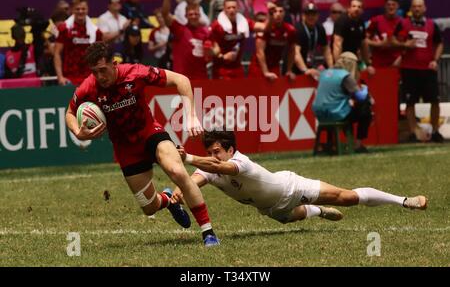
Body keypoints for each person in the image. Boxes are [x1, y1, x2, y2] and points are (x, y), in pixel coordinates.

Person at [65, 42, 220, 247]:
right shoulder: (89, 87)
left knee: (178, 172)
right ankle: (167, 199)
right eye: (95, 72)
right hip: (125, 149)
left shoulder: (135, 73)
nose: (100, 76)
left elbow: (180, 79)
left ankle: (208, 232)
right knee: (149, 207)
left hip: (150, 134)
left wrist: (191, 115)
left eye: (103, 70)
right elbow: (69, 112)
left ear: (114, 63)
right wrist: (78, 132)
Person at [170, 130, 427, 226]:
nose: (214, 157)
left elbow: (223, 170)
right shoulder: (208, 168)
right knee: (289, 219)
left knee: (347, 197)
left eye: (218, 152)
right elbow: (191, 181)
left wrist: (189, 157)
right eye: (210, 153)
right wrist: (179, 190)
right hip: (269, 209)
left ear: (231, 150)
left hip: (290, 188)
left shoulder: (240, 161)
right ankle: (317, 212)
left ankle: (404, 201)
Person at [396, 0, 444, 143]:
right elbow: (395, 41)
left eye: (419, 6)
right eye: (414, 6)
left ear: (424, 8)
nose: (417, 9)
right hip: (409, 69)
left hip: (427, 70)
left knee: (434, 101)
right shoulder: (403, 24)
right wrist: (405, 45)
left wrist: (435, 60)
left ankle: (435, 130)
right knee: (410, 103)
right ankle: (413, 132)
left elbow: (439, 44)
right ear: (411, 8)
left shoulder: (431, 24)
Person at [311, 52, 373, 153]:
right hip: (336, 113)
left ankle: (333, 144)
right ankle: (357, 144)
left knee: (344, 108)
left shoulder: (325, 73)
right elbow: (361, 97)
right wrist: (365, 89)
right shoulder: (345, 76)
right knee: (365, 105)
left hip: (319, 114)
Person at [163, 0, 212, 80]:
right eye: (191, 14)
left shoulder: (206, 32)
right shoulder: (179, 29)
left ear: (200, 15)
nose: (193, 16)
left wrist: (212, 52)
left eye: (196, 14)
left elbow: (213, 51)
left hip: (201, 78)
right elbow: (165, 14)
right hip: (182, 79)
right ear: (185, 15)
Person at [54, 0, 103, 86]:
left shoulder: (96, 31)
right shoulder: (64, 28)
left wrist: (99, 76)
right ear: (72, 10)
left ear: (87, 10)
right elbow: (57, 53)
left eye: (83, 9)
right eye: (77, 9)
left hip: (90, 78)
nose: (80, 11)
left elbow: (99, 56)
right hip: (69, 78)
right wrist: (60, 77)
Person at [248, 1, 296, 81]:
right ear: (271, 14)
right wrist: (266, 72)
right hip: (258, 67)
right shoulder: (263, 28)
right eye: (275, 11)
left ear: (284, 13)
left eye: (281, 11)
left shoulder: (290, 30)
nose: (278, 14)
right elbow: (260, 52)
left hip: (274, 67)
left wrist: (289, 70)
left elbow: (292, 50)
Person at [333, 0, 375, 79]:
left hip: (354, 59)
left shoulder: (361, 22)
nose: (356, 9)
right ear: (348, 8)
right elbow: (337, 44)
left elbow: (364, 44)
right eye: (354, 6)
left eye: (359, 7)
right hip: (342, 59)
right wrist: (338, 65)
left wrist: (368, 64)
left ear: (362, 10)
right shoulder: (342, 21)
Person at [210, 0, 250, 79]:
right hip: (221, 69)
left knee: (241, 92)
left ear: (238, 9)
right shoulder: (216, 26)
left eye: (234, 7)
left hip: (238, 68)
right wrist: (222, 56)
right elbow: (210, 45)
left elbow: (261, 27)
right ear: (224, 9)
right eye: (229, 7)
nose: (231, 10)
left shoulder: (244, 23)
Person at [291, 3, 333, 76]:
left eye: (313, 14)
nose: (311, 17)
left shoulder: (320, 28)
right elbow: (295, 53)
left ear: (317, 16)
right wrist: (305, 70)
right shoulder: (298, 29)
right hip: (295, 67)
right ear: (303, 16)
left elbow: (326, 50)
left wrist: (332, 68)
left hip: (310, 65)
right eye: (308, 14)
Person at [366, 0, 403, 67]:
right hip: (378, 62)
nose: (391, 7)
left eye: (393, 5)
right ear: (385, 6)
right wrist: (379, 44)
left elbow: (407, 45)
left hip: (396, 63)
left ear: (398, 6)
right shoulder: (376, 20)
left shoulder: (403, 22)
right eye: (388, 5)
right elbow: (364, 40)